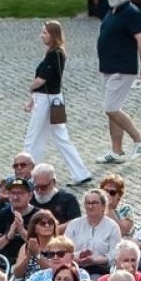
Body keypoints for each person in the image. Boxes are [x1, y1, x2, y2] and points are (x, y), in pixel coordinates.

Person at [23, 21, 92, 187]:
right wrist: (32, 98)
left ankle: (25, 175)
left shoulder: (54, 54)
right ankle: (81, 173)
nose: (42, 35)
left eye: (45, 33)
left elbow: (42, 79)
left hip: (46, 100)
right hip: (54, 99)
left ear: (53, 35)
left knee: (32, 138)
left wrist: (30, 87)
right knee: (61, 137)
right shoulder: (56, 53)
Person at [96, 0, 141, 166]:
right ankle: (117, 151)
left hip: (122, 69)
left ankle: (140, 139)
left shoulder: (131, 12)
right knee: (113, 110)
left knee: (110, 108)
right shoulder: (112, 11)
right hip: (109, 68)